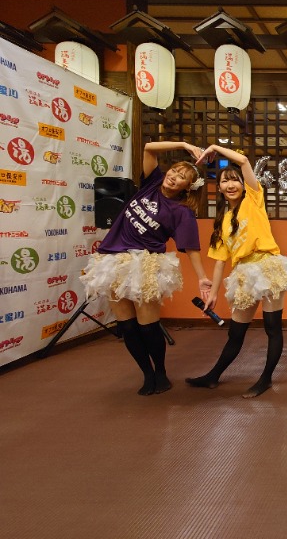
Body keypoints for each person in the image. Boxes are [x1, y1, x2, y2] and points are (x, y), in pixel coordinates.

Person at [80, 141, 212, 396]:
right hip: (114, 261)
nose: (173, 178)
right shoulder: (152, 183)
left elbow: (191, 249)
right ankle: (147, 374)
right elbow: (149, 147)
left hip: (146, 265)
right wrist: (184, 144)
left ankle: (160, 372)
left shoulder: (182, 212)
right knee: (127, 327)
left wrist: (202, 278)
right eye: (174, 171)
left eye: (181, 178)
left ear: (188, 187)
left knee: (148, 326)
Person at [185, 145, 287, 398]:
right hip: (244, 273)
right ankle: (213, 376)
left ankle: (266, 379)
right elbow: (219, 262)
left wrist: (214, 148)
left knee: (272, 327)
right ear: (220, 189)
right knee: (236, 331)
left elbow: (245, 161)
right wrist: (212, 295)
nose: (230, 185)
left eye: (234, 179)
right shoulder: (223, 221)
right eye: (225, 182)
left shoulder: (254, 200)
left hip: (268, 266)